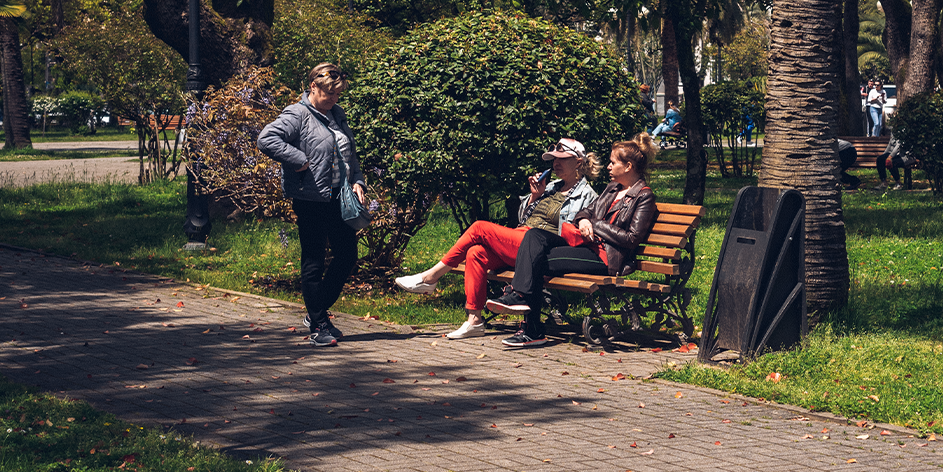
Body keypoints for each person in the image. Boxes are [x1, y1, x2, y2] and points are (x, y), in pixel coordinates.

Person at [394, 139, 599, 339]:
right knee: (476, 253)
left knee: (479, 227)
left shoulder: (588, 196)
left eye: (561, 159)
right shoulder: (551, 186)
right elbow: (523, 219)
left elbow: (572, 236)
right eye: (553, 159)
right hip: (521, 239)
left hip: (541, 247)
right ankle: (474, 320)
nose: (555, 163)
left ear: (579, 162)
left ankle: (431, 277)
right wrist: (536, 196)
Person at [488, 134, 659, 349]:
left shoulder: (644, 196)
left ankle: (529, 325)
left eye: (613, 162)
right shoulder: (612, 188)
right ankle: (520, 300)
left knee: (536, 261)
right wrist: (585, 218)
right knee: (534, 236)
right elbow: (587, 211)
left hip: (607, 257)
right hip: (587, 246)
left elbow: (632, 239)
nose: (608, 166)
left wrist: (595, 225)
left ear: (628, 166)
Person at [257, 62, 366, 347]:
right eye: (328, 93)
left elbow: (349, 154)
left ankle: (315, 308)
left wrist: (358, 180)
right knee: (314, 260)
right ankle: (318, 324)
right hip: (310, 198)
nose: (333, 99)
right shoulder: (298, 114)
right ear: (313, 87)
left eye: (337, 94)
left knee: (346, 256)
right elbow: (267, 139)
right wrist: (299, 160)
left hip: (339, 197)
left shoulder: (337, 114)